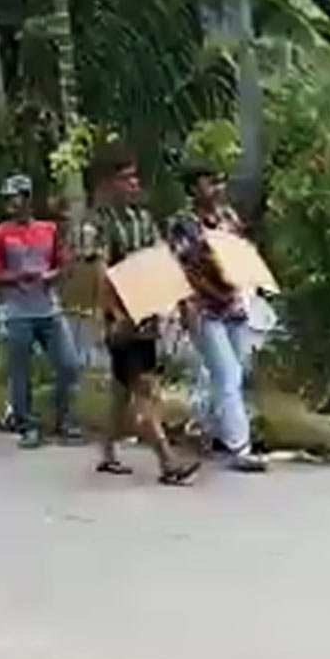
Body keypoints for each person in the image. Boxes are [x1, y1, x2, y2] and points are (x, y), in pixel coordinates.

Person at [79, 143, 197, 485]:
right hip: (122, 318)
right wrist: (113, 315)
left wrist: (181, 302)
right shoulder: (96, 224)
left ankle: (106, 453)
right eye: (125, 178)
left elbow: (161, 263)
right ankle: (167, 461)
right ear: (107, 183)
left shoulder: (142, 220)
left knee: (123, 390)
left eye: (134, 177)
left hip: (146, 315)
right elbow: (101, 274)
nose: (133, 184)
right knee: (146, 389)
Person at [168, 163, 265, 473]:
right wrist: (191, 307)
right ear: (194, 189)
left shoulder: (228, 218)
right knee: (227, 375)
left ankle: (212, 432)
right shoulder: (184, 224)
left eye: (219, 182)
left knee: (233, 370)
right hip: (206, 309)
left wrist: (245, 288)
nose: (217, 188)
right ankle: (241, 447)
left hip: (234, 306)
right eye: (210, 182)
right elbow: (184, 270)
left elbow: (242, 253)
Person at [0, 174, 82, 449]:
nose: (9, 203)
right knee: (20, 372)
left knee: (69, 364)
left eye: (14, 197)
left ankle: (65, 420)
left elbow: (65, 264)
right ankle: (27, 425)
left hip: (48, 309)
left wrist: (55, 275)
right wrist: (15, 278)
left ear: (26, 198)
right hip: (16, 312)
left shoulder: (48, 230)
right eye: (6, 198)